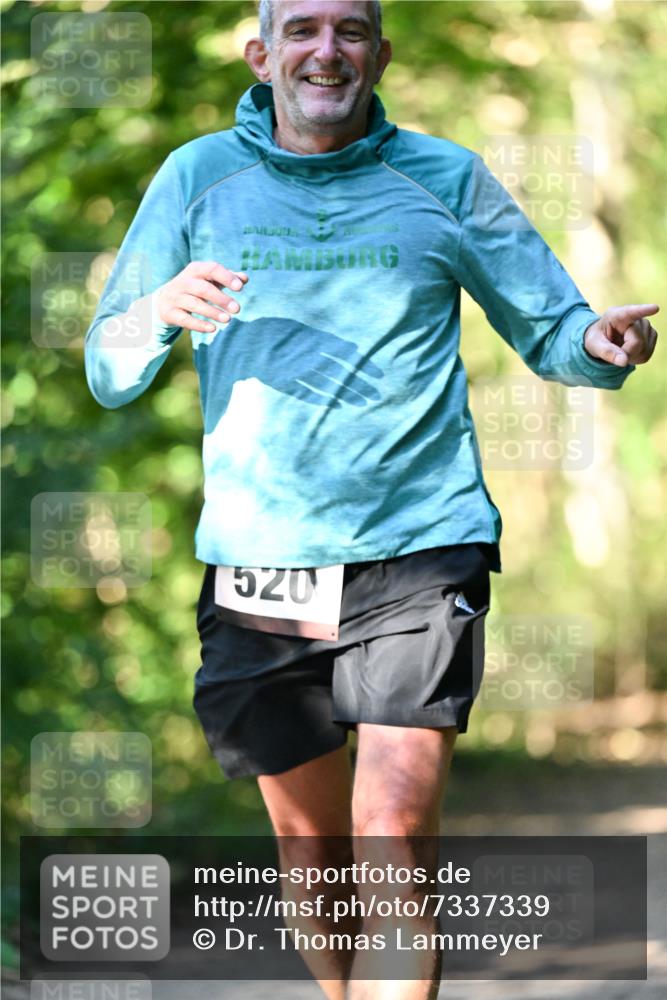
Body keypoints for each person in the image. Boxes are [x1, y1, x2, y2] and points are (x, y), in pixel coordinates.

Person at [84, 1, 659, 996]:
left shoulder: (444, 178)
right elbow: (107, 366)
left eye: (350, 29)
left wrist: (599, 346)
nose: (326, 48)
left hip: (420, 544)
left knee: (391, 830)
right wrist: (153, 312)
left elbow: (551, 325)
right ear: (262, 55)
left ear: (380, 54)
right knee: (312, 853)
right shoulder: (196, 176)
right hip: (264, 553)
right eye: (301, 29)